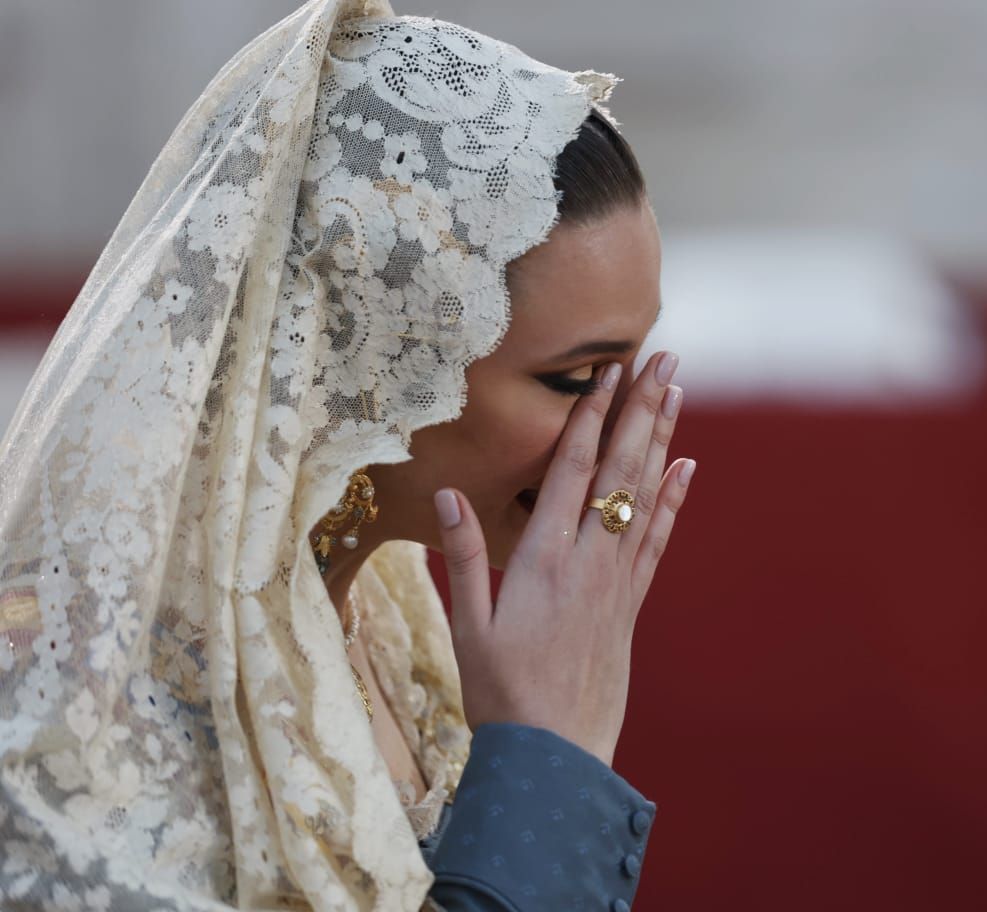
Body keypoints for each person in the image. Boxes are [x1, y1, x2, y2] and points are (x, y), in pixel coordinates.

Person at [0, 1, 693, 909]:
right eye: (578, 382)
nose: (616, 439)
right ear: (367, 364)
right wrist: (549, 765)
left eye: (632, 372)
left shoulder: (385, 632)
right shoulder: (75, 707)